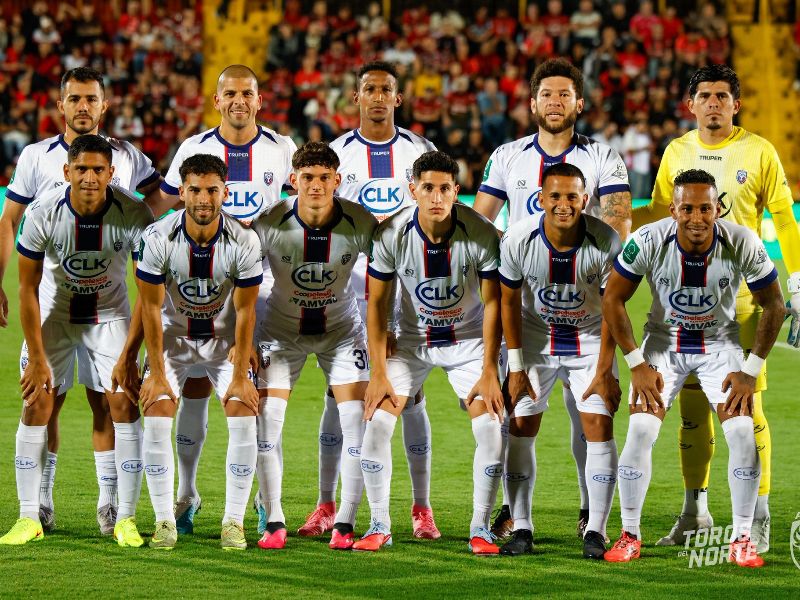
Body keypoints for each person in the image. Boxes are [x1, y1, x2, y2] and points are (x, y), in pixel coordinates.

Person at [633, 65, 800, 552]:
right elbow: (662, 212)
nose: (713, 103)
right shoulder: (677, 151)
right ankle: (695, 513)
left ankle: (760, 517)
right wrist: (616, 217)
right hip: (684, 309)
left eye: (722, 96)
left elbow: (784, 220)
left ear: (736, 104)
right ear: (691, 104)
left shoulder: (759, 151)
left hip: (744, 305)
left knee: (747, 407)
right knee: (690, 413)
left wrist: (798, 280)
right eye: (704, 95)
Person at [0, 67, 165, 535]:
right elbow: (26, 279)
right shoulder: (38, 175)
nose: (83, 107)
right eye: (75, 99)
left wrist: (140, 235)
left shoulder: (130, 175)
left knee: (114, 402)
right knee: (40, 401)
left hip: (108, 312)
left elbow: (159, 202)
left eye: (91, 99)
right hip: (54, 311)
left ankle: (117, 510)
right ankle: (34, 509)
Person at [473, 57, 632, 539]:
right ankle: (513, 511)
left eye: (565, 94)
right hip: (525, 306)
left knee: (588, 415)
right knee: (518, 412)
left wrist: (600, 265)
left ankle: (591, 510)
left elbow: (619, 226)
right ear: (532, 102)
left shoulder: (604, 157)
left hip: (585, 301)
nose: (556, 102)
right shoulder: (506, 156)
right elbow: (482, 224)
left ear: (579, 103)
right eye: (547, 94)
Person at [602, 169, 785, 568]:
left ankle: (741, 539)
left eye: (706, 208)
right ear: (673, 209)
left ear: (718, 208)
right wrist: (635, 363)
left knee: (741, 434)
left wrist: (751, 368)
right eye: (688, 208)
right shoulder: (648, 240)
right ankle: (630, 534)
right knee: (640, 431)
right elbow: (613, 299)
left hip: (720, 346)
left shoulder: (742, 240)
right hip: (663, 344)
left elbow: (775, 304)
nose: (697, 217)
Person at [303, 60, 439, 540]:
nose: (378, 97)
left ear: (397, 98)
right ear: (355, 97)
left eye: (386, 89)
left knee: (410, 394)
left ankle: (420, 508)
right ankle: (327, 504)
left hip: (407, 295)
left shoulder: (422, 150)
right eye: (369, 89)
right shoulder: (336, 153)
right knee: (340, 393)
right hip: (347, 293)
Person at [160, 64, 297, 535]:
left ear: (260, 100)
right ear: (216, 100)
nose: (239, 100)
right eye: (230, 93)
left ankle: (266, 503)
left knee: (255, 397)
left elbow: (303, 209)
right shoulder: (193, 149)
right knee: (195, 389)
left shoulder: (282, 149)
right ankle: (187, 494)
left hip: (259, 294)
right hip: (197, 291)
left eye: (248, 93)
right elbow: (162, 206)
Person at [354, 151, 504, 555]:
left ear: (457, 192)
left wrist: (490, 368)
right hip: (411, 343)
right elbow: (376, 302)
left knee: (490, 428)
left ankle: (480, 528)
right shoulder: (391, 235)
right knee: (377, 424)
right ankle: (379, 524)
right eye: (427, 188)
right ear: (412, 190)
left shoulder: (482, 233)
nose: (436, 197)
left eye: (444, 189)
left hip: (468, 343)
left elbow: (494, 304)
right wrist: (379, 370)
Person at [249, 142, 377, 550]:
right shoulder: (268, 223)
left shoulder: (360, 221)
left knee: (357, 425)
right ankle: (274, 518)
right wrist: (248, 341)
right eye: (308, 178)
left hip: (341, 331)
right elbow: (244, 285)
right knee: (267, 425)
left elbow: (389, 278)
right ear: (293, 181)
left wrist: (388, 333)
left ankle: (345, 521)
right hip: (281, 331)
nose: (316, 186)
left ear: (337, 180)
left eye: (325, 178)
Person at [136, 153, 263, 550]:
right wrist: (156, 372)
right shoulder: (156, 238)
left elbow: (246, 311)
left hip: (224, 343)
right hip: (172, 342)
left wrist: (241, 374)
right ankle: (163, 522)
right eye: (194, 190)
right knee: (157, 412)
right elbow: (150, 310)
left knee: (242, 411)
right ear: (182, 193)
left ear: (225, 192)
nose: (203, 199)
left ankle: (233, 521)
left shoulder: (245, 240)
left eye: (211, 190)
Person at [498, 163, 622, 559]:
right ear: (541, 198)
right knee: (520, 424)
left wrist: (604, 369)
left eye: (572, 197)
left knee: (598, 424)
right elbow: (508, 303)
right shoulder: (518, 239)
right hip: (535, 340)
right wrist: (515, 368)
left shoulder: (606, 241)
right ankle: (521, 527)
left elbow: (613, 310)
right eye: (555, 196)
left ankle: (596, 531)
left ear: (586, 200)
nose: (564, 205)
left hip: (588, 340)